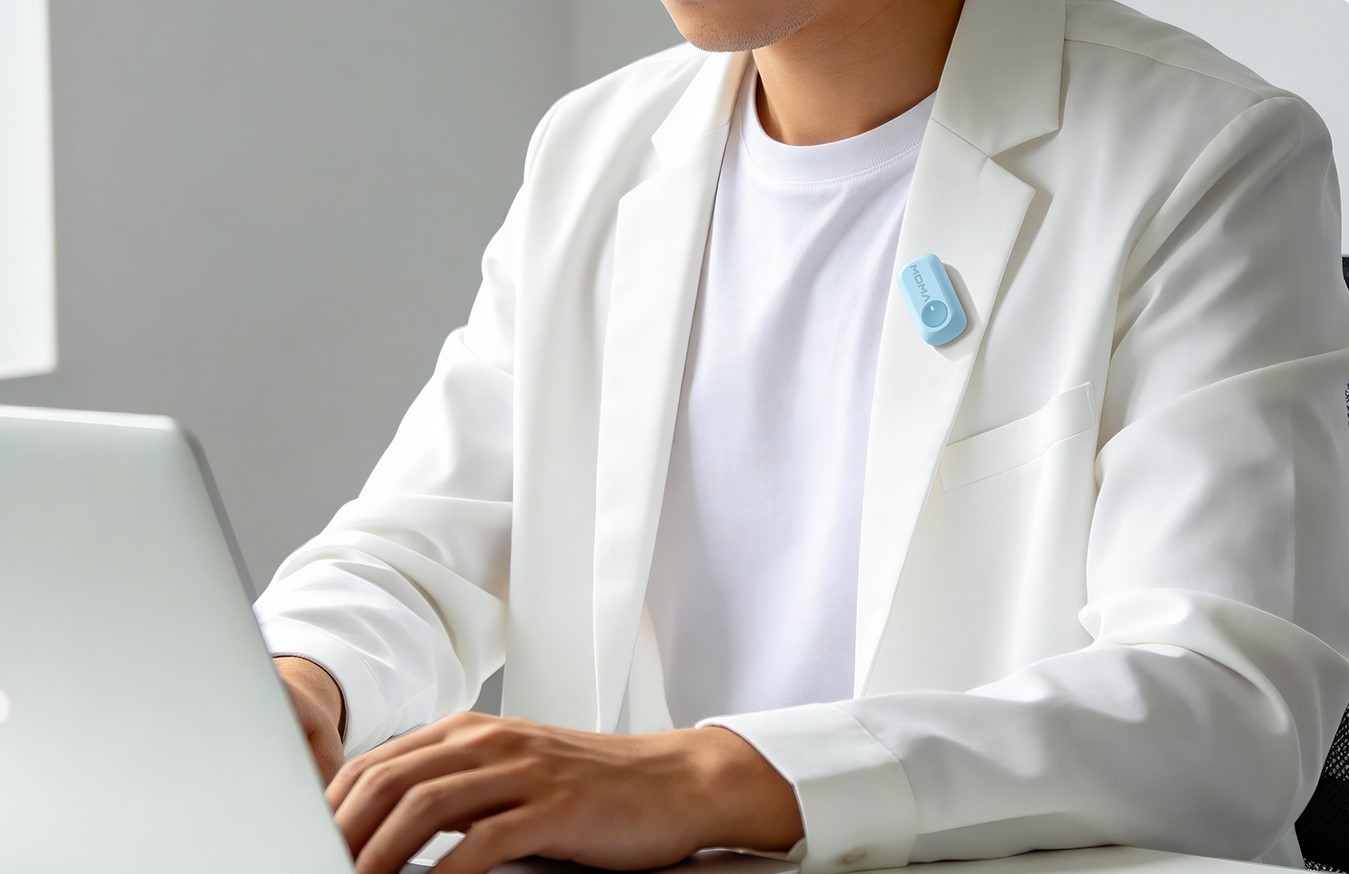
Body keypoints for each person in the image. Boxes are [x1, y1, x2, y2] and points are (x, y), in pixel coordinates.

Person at [254, 1, 1349, 873]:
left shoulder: (1204, 151)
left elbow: (1224, 705)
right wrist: (300, 680)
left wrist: (710, 778)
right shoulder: (596, 147)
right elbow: (423, 544)